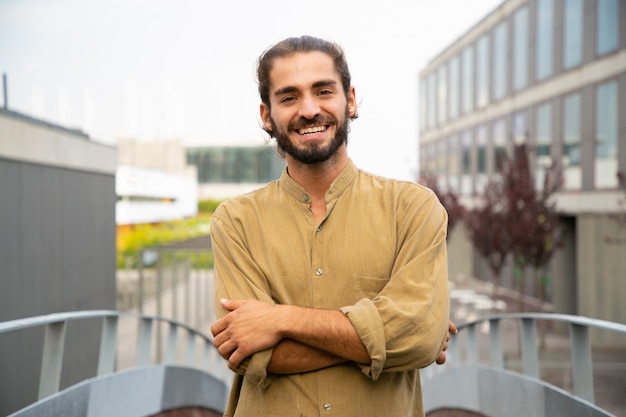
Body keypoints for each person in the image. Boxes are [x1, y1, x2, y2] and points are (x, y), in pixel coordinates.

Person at [210, 35, 454, 417]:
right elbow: (251, 354)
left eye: (323, 91)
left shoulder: (412, 209)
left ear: (350, 100)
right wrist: (387, 341)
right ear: (266, 115)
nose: (309, 110)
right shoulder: (235, 222)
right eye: (289, 97)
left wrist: (280, 319)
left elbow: (419, 339)